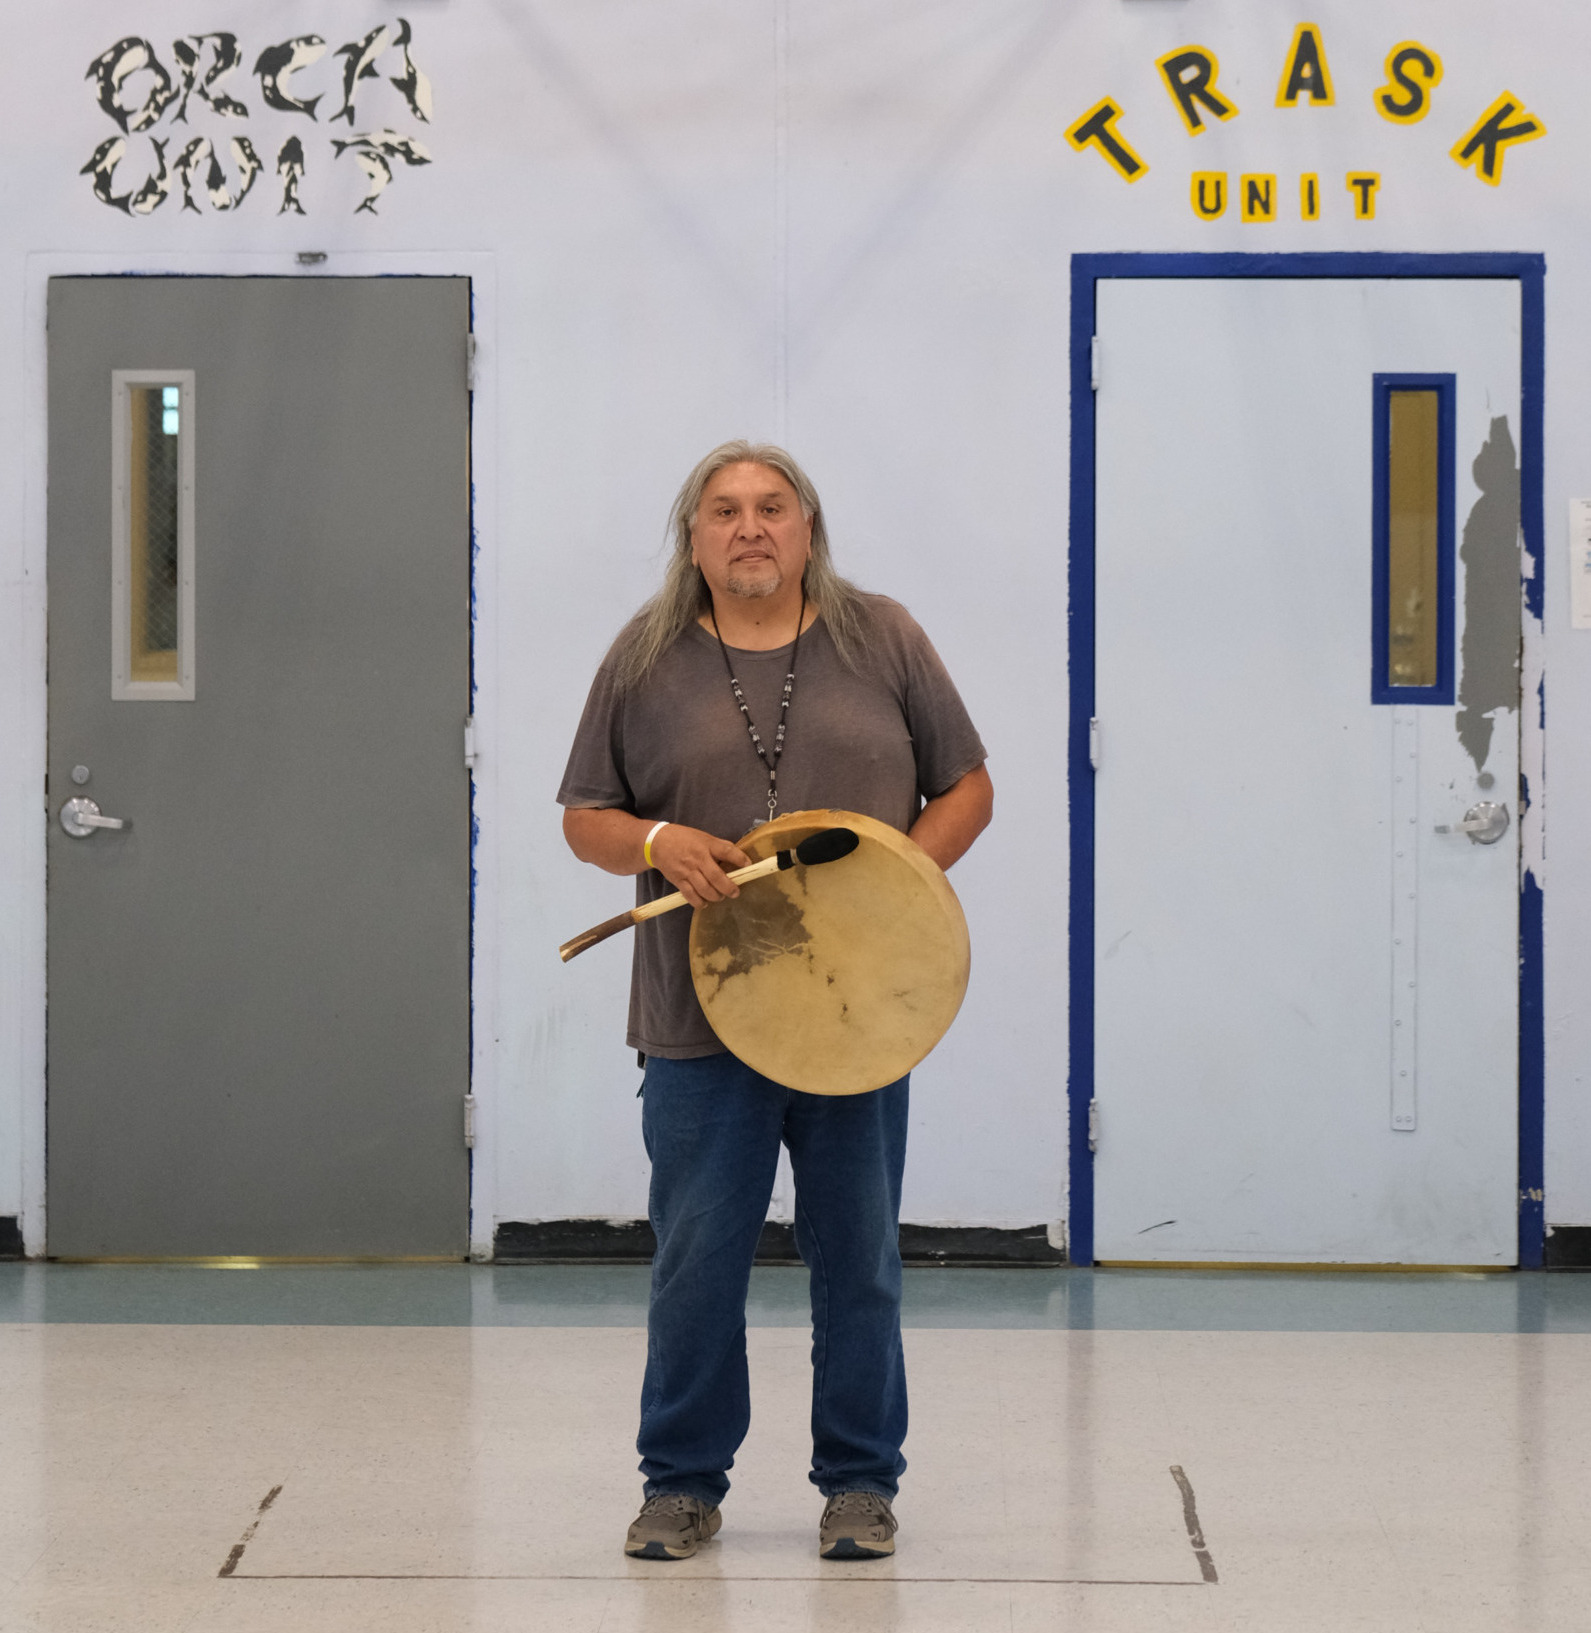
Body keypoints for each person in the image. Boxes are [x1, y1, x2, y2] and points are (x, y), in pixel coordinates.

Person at [558, 440, 992, 1563]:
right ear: (692, 537)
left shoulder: (882, 637)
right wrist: (657, 841)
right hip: (700, 1023)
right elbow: (586, 817)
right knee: (698, 1259)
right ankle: (681, 1482)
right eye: (723, 511)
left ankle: (859, 1483)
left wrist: (895, 882)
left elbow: (968, 787)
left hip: (858, 1019)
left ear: (808, 529)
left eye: (771, 507)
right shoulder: (644, 658)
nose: (749, 527)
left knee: (859, 1257)